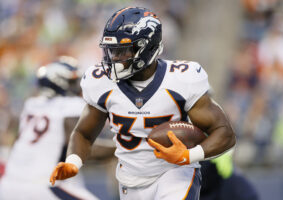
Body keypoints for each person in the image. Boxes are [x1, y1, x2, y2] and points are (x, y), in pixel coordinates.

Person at [50, 7, 236, 200]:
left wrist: (189, 155)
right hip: (129, 180)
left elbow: (225, 133)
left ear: (147, 47)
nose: (114, 58)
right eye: (111, 50)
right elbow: (84, 133)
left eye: (122, 51)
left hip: (174, 175)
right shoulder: (100, 82)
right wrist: (73, 161)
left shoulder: (182, 79)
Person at [0, 56, 99, 200]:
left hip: (9, 183)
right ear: (61, 82)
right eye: (73, 81)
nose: (78, 85)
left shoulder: (31, 104)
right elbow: (88, 145)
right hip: (42, 185)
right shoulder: (71, 106)